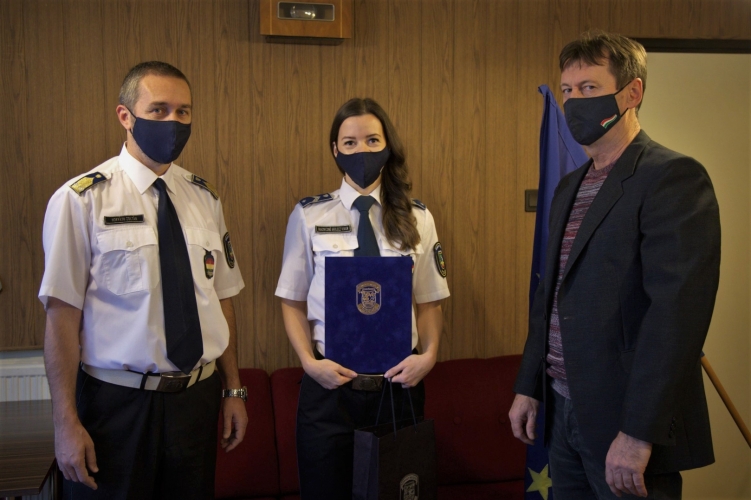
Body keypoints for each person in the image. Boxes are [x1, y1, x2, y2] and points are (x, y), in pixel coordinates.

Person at [509, 31, 720, 500]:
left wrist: (638, 432)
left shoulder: (673, 178)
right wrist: (530, 386)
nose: (574, 101)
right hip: (561, 412)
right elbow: (550, 296)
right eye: (568, 90)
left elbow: (676, 318)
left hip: (624, 424)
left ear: (632, 93)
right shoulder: (570, 186)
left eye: (590, 88)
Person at [39, 61, 248, 500]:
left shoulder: (204, 198)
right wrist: (64, 422)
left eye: (183, 112)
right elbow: (61, 318)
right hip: (116, 407)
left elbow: (221, 299)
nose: (173, 121)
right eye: (158, 110)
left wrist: (233, 388)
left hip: (196, 400)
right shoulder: (81, 200)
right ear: (125, 116)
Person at [275, 97, 450, 499]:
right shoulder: (309, 216)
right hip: (330, 390)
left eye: (372, 140)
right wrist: (309, 363)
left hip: (398, 387)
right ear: (335, 150)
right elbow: (292, 300)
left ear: (388, 146)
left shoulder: (417, 217)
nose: (362, 151)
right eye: (350, 143)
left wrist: (429, 356)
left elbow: (430, 302)